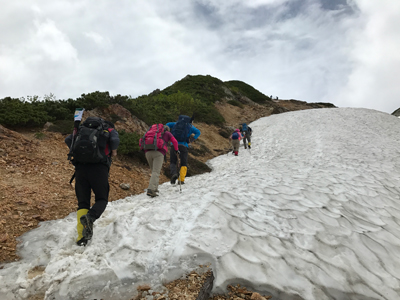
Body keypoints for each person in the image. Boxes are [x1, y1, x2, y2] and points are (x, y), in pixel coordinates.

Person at [65, 117, 120, 246]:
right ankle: (91, 217)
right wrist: (114, 152)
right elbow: (114, 140)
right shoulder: (109, 129)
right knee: (101, 199)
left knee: (83, 203)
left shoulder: (81, 129)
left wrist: (78, 152)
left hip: (80, 168)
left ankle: (82, 238)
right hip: (99, 168)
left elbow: (68, 139)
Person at [143, 125, 179, 197]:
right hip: (159, 153)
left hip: (147, 152)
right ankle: (151, 189)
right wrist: (176, 150)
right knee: (156, 171)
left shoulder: (150, 132)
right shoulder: (167, 133)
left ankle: (155, 188)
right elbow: (175, 141)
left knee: (154, 171)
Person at [166, 115, 201, 184]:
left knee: (173, 161)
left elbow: (167, 125)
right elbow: (198, 132)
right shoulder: (190, 126)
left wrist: (169, 134)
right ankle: (181, 180)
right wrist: (191, 140)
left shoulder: (175, 124)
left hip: (173, 145)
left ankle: (173, 174)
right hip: (184, 146)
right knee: (183, 162)